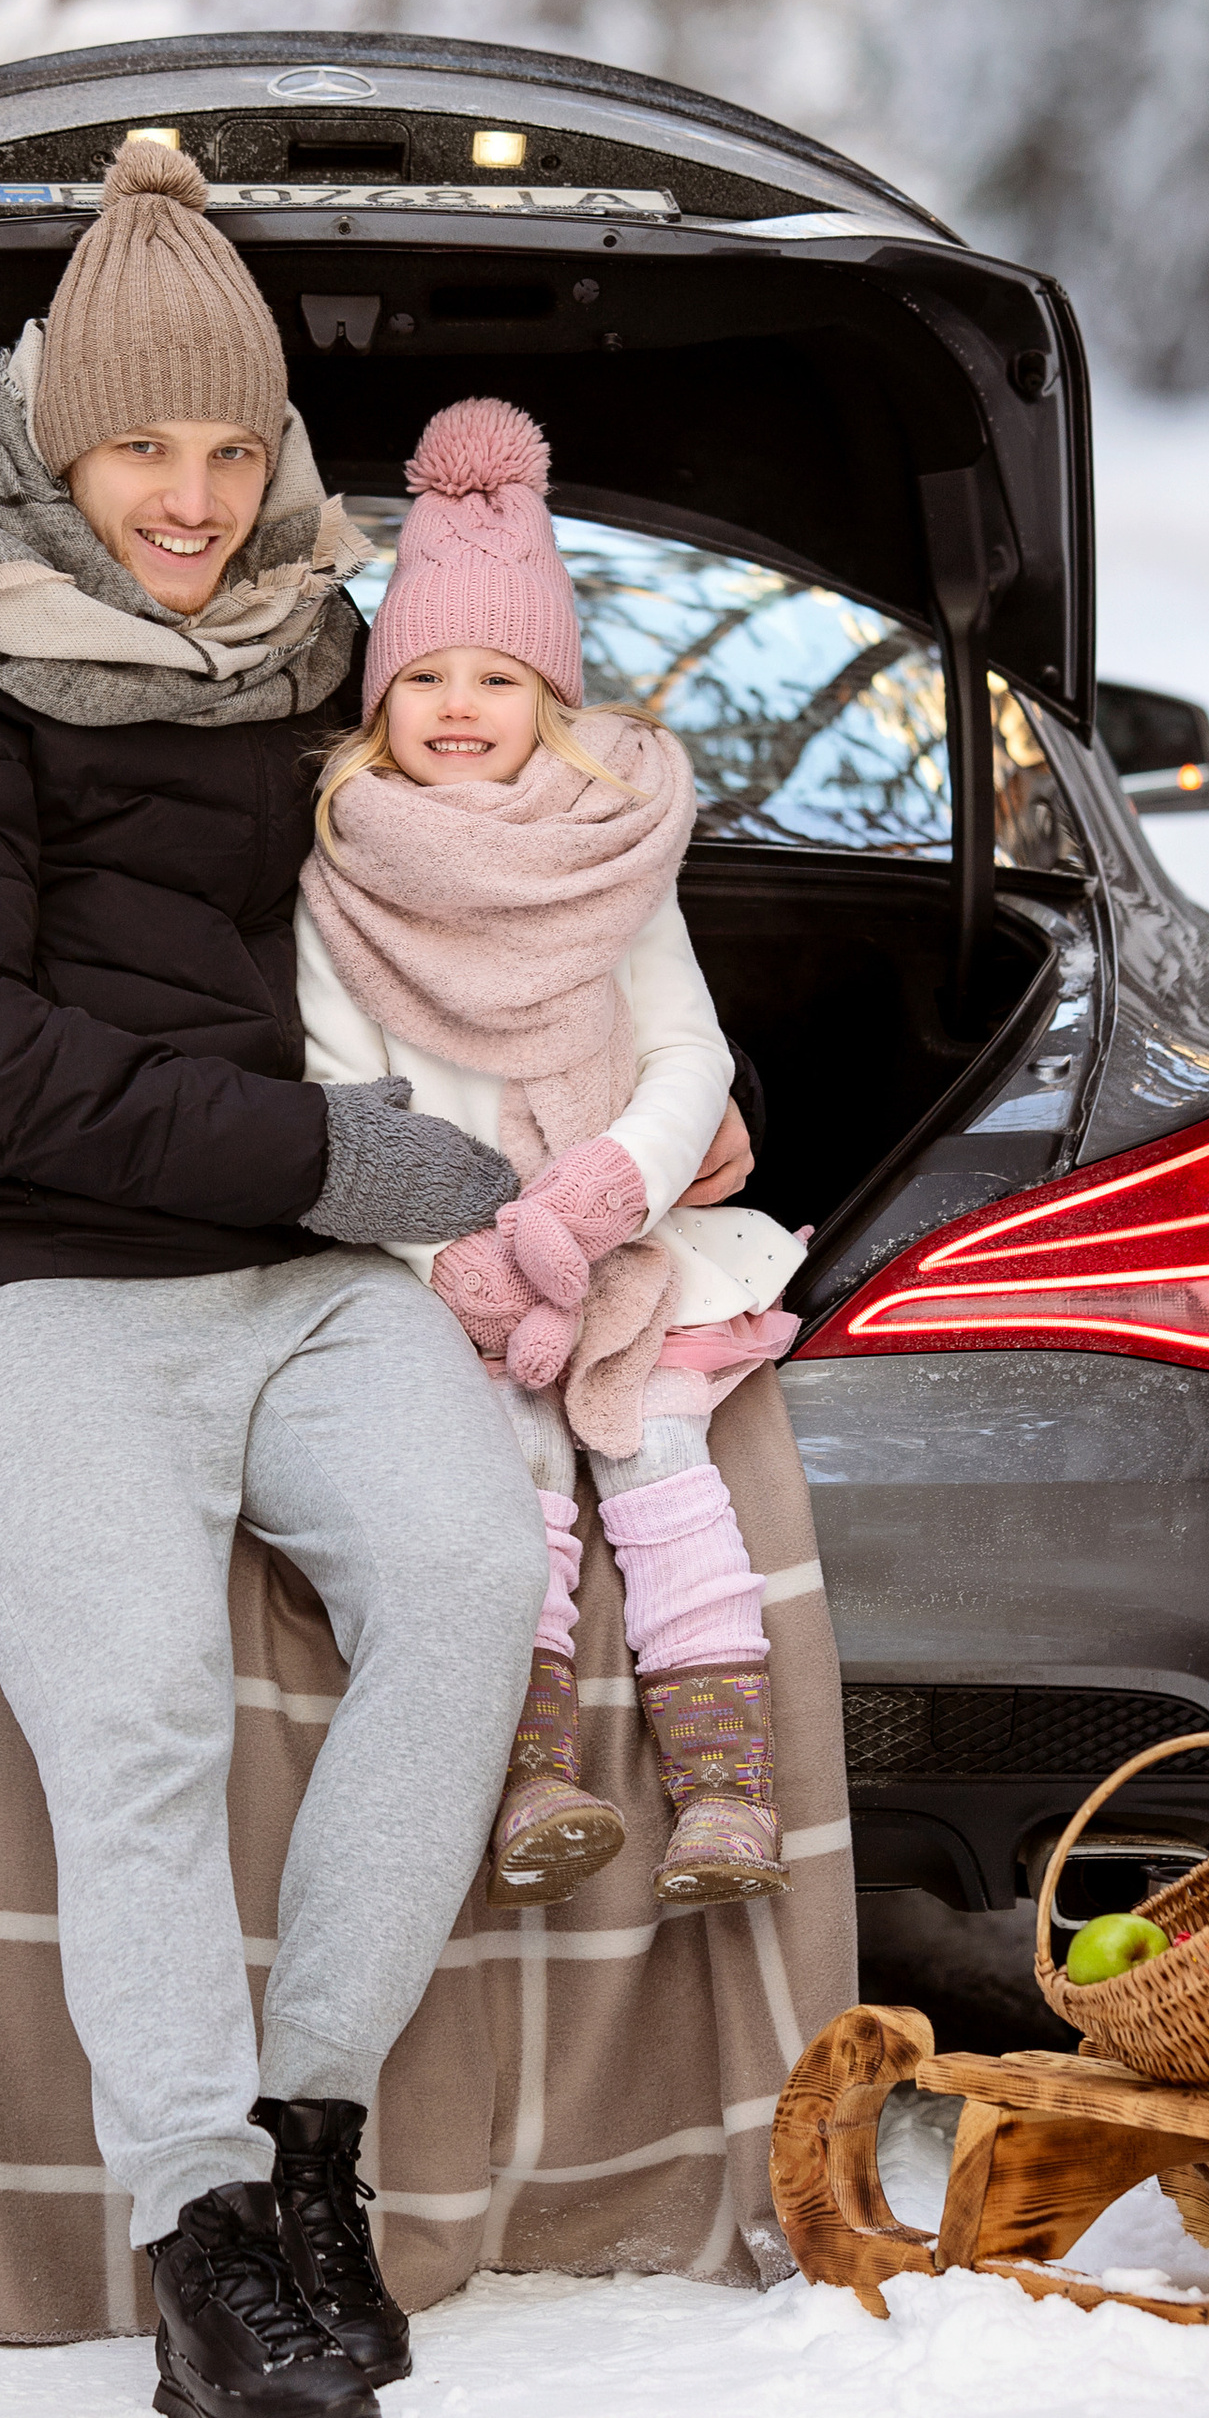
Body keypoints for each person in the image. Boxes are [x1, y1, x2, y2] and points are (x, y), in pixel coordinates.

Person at [0, 140, 551, 2418]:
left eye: (233, 451)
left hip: (284, 1267)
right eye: (144, 450)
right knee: (133, 1714)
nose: (194, 504)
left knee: (468, 1572)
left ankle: (310, 2144)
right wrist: (332, 1155)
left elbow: (464, 827)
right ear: (49, 431)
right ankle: (200, 2230)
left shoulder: (307, 644)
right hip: (11, 1266)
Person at [294, 399, 808, 1916]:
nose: (461, 705)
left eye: (500, 678)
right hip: (453, 1263)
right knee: (496, 1491)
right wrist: (441, 1249)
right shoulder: (342, 879)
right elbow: (335, 1092)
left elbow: (687, 1055)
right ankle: (528, 1776)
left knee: (661, 1469)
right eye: (428, 676)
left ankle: (727, 1793)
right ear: (380, 698)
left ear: (552, 696)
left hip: (619, 1243)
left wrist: (603, 1194)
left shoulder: (614, 854)